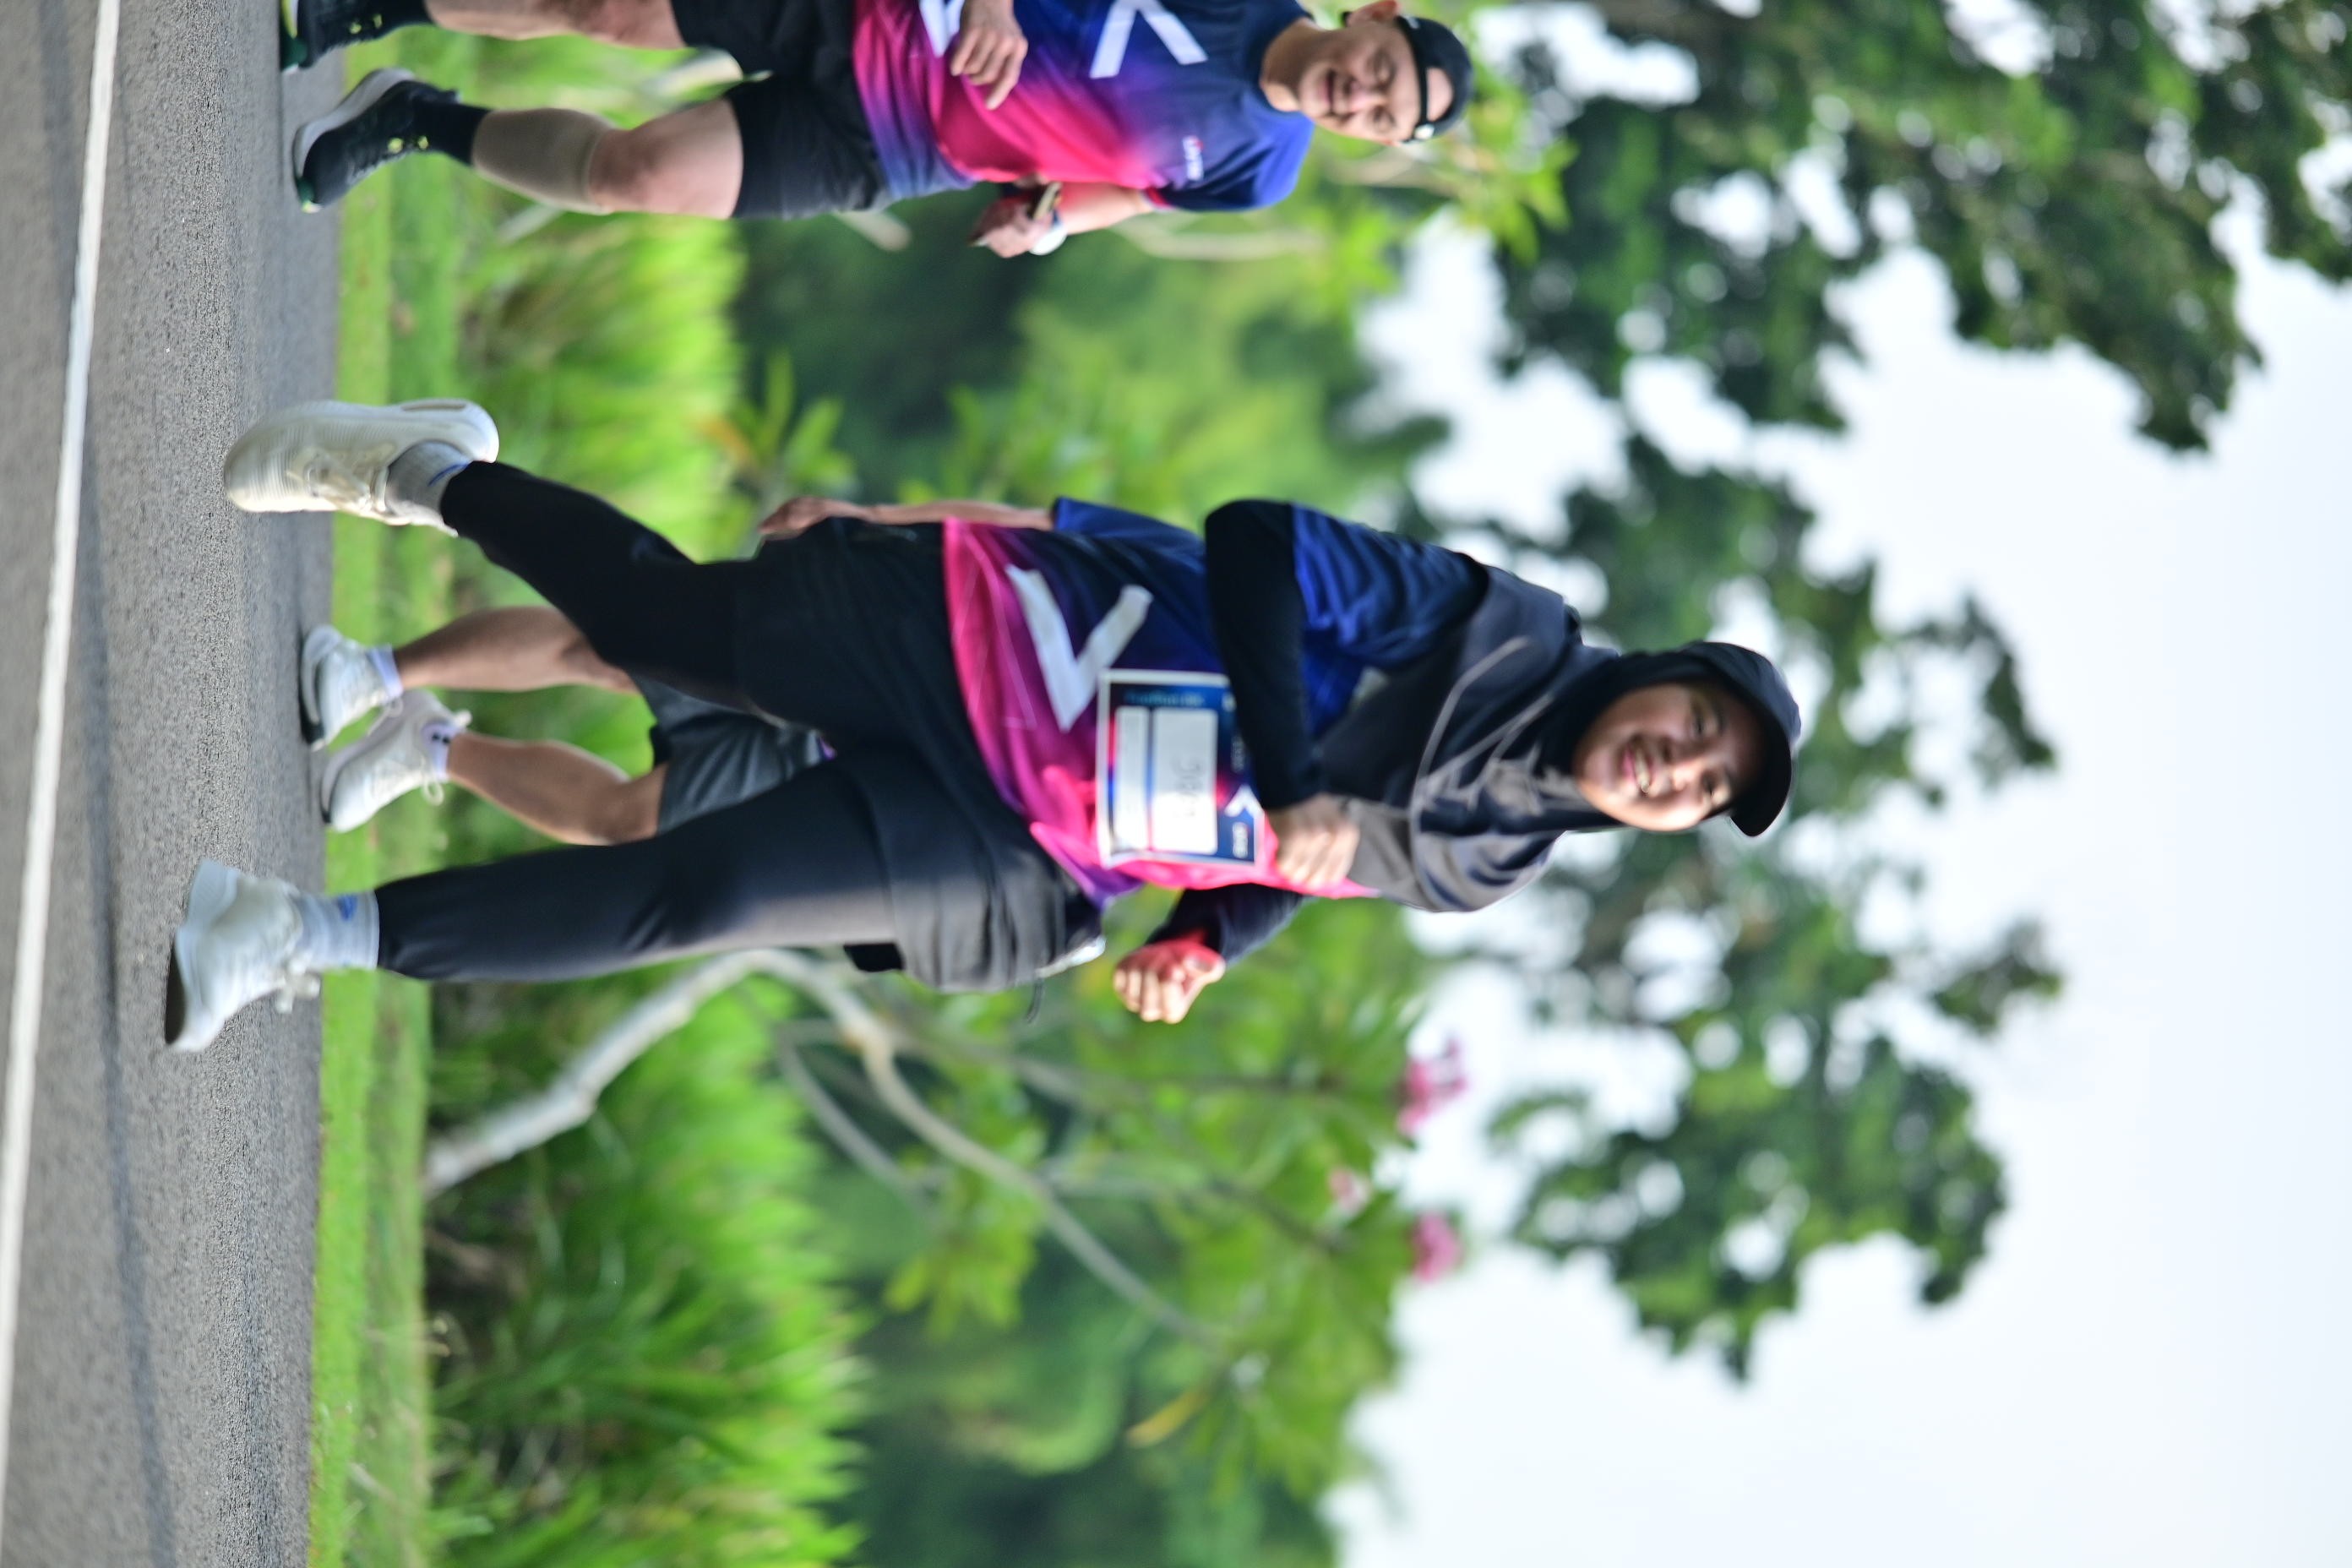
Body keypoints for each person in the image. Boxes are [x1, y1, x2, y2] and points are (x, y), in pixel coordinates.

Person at [162, 398, 1800, 1052]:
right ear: (1663, 674)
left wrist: (1209, 938)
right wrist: (1296, 774)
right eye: (1698, 727)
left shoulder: (1489, 863)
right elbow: (1250, 542)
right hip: (981, 640)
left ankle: (290, 933)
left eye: (1701, 791)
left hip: (1030, 839)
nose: (1678, 768)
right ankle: (427, 469)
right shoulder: (1489, 628)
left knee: (697, 892)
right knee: (654, 629)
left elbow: (1303, 861)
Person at [279, 0, 1473, 254]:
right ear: (1372, 17)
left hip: (898, 149)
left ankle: (417, 120)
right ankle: (373, 4)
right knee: (606, 8)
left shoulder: (1260, 173)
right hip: (884, 14)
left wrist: (1053, 221)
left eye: (1387, 116)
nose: (1364, 97)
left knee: (636, 175)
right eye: (1383, 71)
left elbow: (1133, 191)